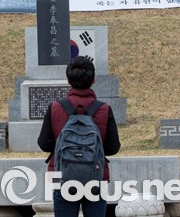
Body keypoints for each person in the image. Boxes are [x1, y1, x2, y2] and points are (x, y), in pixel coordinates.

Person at [37, 56, 121, 217]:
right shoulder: (104, 109)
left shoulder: (55, 108)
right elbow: (113, 147)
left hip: (63, 176)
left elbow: (44, 143)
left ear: (68, 80)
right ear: (94, 79)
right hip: (96, 177)